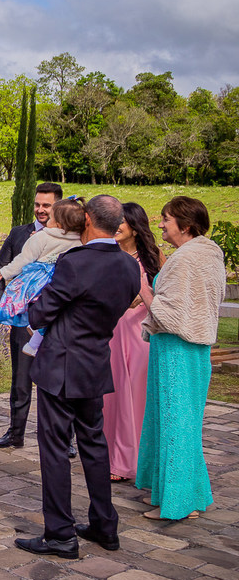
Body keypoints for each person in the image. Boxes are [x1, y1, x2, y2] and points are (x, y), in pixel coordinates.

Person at [15, 195, 140, 559]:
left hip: (61, 365)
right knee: (94, 445)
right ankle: (104, 525)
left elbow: (41, 313)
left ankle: (60, 534)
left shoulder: (75, 261)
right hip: (96, 361)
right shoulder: (128, 265)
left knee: (54, 449)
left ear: (87, 219)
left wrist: (33, 302)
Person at [135, 196, 226, 521]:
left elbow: (171, 313)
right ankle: (182, 492)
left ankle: (178, 503)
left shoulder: (187, 258)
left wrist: (144, 290)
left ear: (185, 226)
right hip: (193, 348)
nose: (160, 224)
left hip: (177, 347)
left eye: (166, 219)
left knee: (177, 424)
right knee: (179, 422)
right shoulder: (208, 254)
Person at [0, 182, 63, 449]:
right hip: (23, 319)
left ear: (58, 207)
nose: (41, 210)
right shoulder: (19, 233)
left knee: (58, 381)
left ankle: (62, 438)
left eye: (47, 205)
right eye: (37, 204)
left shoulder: (71, 237)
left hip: (56, 322)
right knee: (21, 379)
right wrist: (9, 311)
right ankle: (15, 433)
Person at [103, 202, 163, 482]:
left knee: (135, 395)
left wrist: (144, 294)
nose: (116, 226)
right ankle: (110, 457)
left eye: (122, 221)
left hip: (139, 335)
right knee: (111, 396)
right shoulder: (109, 254)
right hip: (111, 332)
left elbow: (166, 294)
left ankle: (129, 462)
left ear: (135, 228)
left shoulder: (153, 257)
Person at [0, 198, 87, 355]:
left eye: (51, 218)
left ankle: (27, 323)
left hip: (38, 280)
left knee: (18, 295)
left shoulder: (42, 237)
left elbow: (24, 259)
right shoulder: (80, 240)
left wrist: (5, 272)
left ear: (59, 224)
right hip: (62, 281)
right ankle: (36, 340)